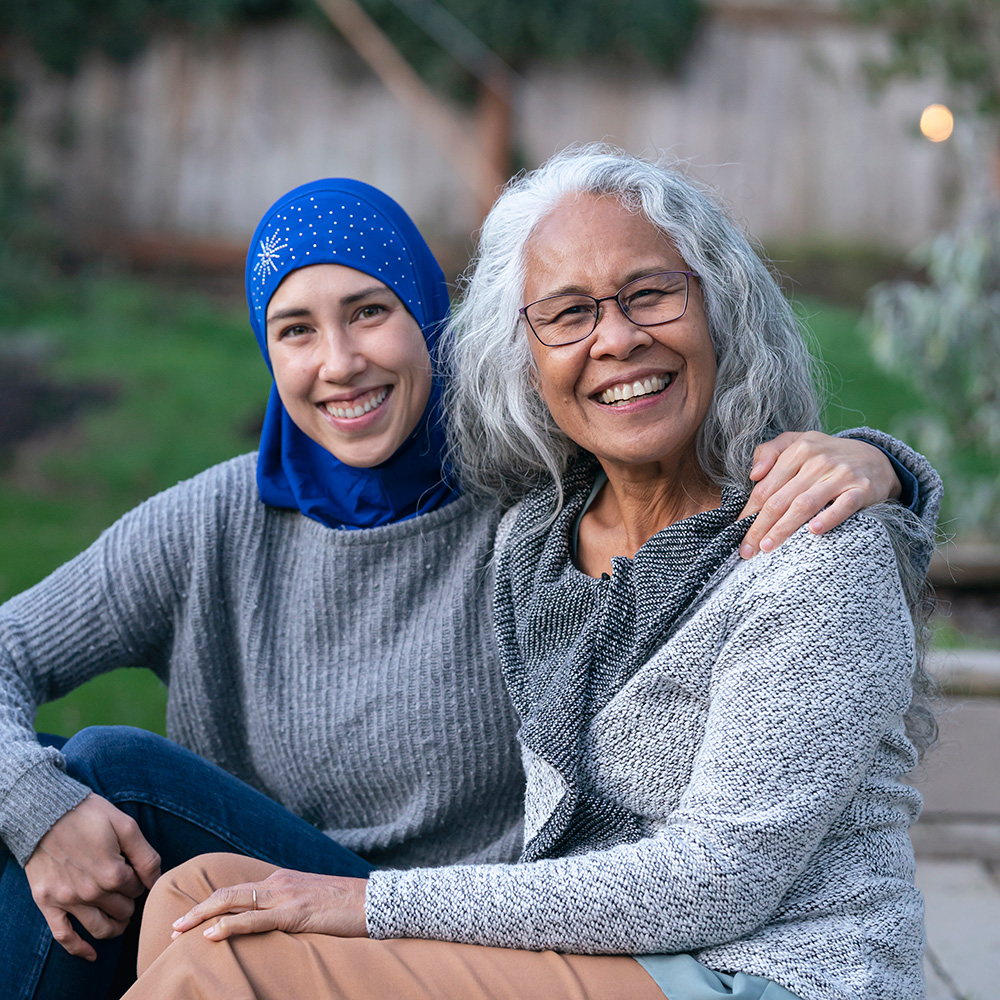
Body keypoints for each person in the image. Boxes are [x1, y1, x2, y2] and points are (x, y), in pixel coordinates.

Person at [0, 174, 923, 1000]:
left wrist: (883, 469)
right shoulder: (234, 520)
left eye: (369, 311)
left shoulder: (522, 500)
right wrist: (36, 810)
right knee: (117, 832)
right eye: (295, 329)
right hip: (510, 917)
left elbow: (679, 453)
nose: (340, 362)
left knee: (151, 835)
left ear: (433, 324)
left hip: (668, 943)